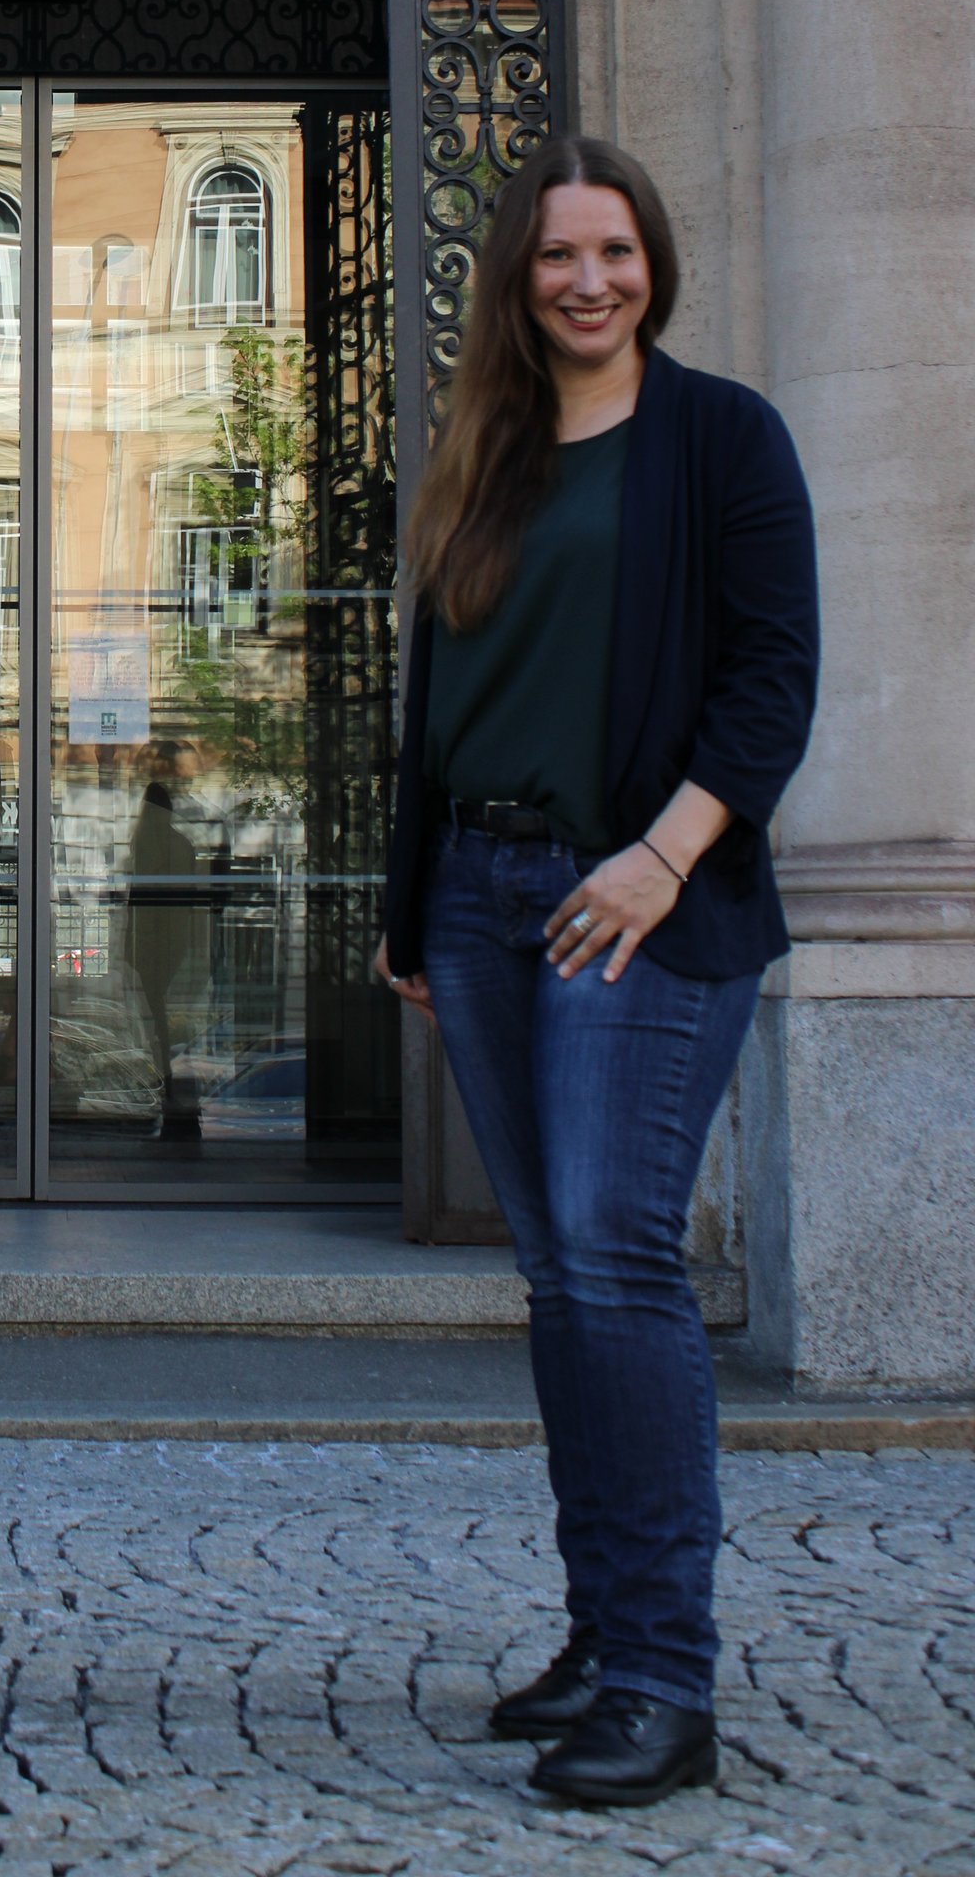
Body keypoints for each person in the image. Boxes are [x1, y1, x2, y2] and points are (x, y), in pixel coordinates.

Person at [374, 136, 817, 1810]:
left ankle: (665, 1679)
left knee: (623, 1265)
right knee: (565, 1280)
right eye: (558, 255)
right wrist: (414, 905)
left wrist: (665, 852)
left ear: (655, 264)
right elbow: (439, 697)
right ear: (517, 276)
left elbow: (775, 678)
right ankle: (602, 1633)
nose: (588, 281)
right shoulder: (483, 455)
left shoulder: (723, 441)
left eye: (616, 251)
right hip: (486, 899)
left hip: (639, 893)